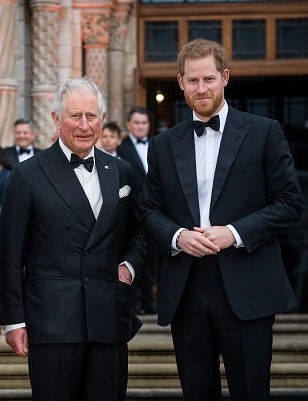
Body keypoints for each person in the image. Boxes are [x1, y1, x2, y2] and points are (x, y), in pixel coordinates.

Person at [141, 39, 304, 401]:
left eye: (209, 79)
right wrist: (177, 236)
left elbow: (290, 203)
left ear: (225, 77)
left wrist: (234, 233)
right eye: (194, 80)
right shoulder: (163, 144)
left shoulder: (264, 132)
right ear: (180, 81)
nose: (202, 88)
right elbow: (148, 212)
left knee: (250, 391)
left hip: (248, 284)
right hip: (186, 287)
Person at [0, 77, 145, 401]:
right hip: (52, 322)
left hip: (108, 317)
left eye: (91, 116)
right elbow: (9, 254)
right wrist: (13, 321)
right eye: (75, 116)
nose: (84, 125)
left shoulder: (121, 171)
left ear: (102, 119)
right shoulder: (27, 174)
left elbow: (139, 233)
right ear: (56, 119)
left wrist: (130, 266)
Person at [117, 107, 158, 314]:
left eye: (144, 123)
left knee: (153, 260)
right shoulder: (121, 148)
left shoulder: (157, 145)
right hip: (133, 212)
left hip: (156, 213)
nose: (141, 126)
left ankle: (150, 303)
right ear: (129, 124)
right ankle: (136, 305)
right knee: (133, 259)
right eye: (137, 123)